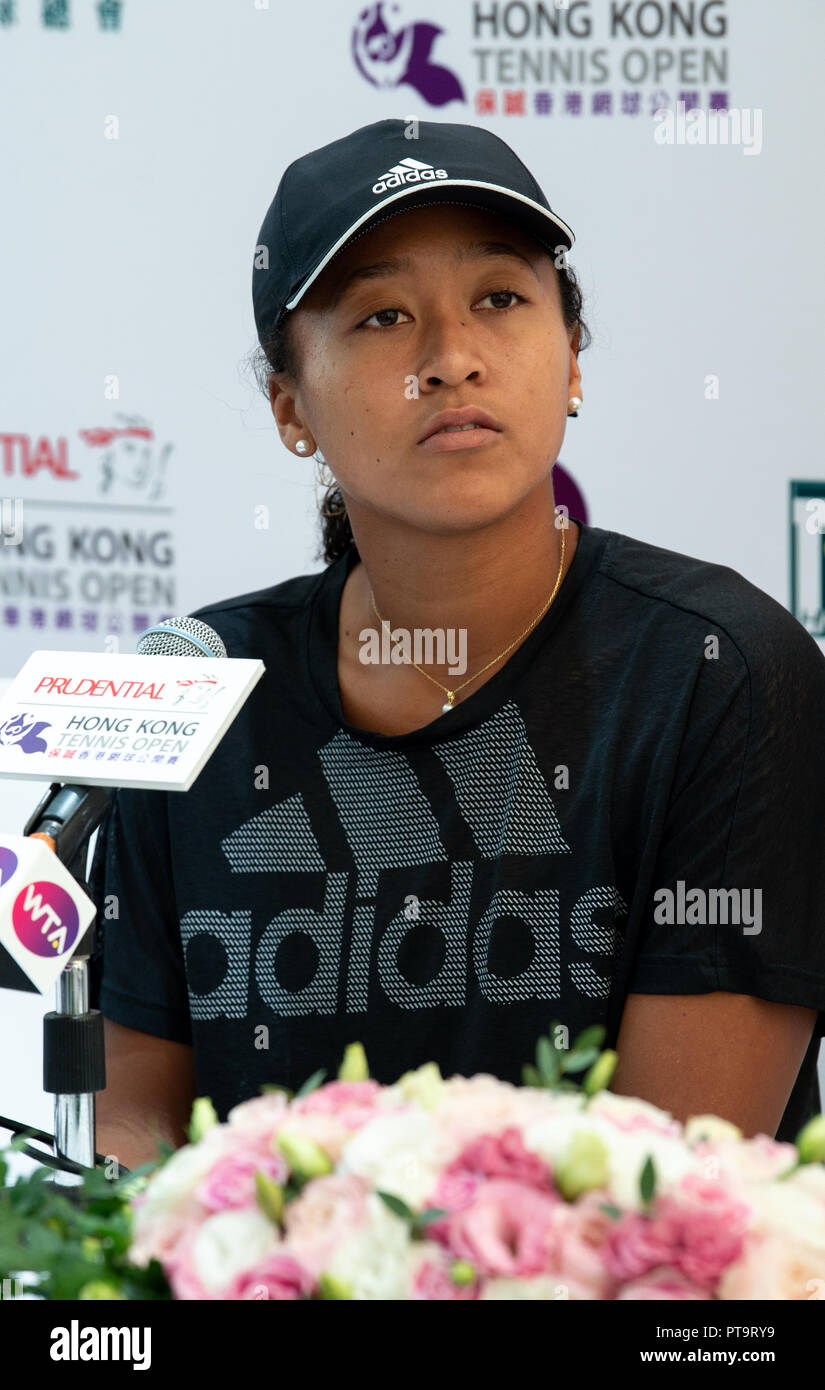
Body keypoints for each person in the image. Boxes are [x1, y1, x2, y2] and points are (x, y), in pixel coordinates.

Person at [88, 117, 825, 1173]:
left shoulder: (719, 677)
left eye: (500, 299)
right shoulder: (198, 693)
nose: (450, 359)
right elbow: (132, 1139)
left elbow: (672, 1191)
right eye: (383, 316)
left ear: (572, 355)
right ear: (289, 404)